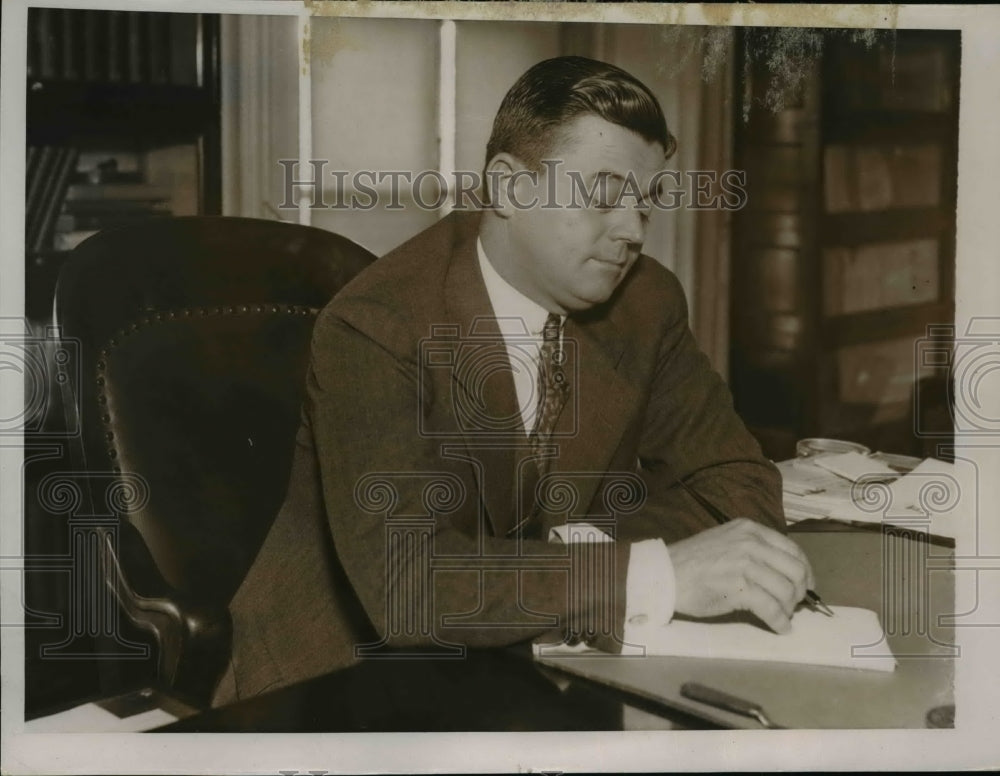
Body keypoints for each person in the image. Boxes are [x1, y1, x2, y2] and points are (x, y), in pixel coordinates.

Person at [214, 56, 813, 706]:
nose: (633, 231)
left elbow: (739, 482)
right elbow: (410, 585)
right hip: (343, 679)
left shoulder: (647, 303)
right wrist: (655, 573)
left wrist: (564, 557)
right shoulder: (376, 325)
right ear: (508, 188)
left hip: (534, 657)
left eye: (646, 203)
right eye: (605, 196)